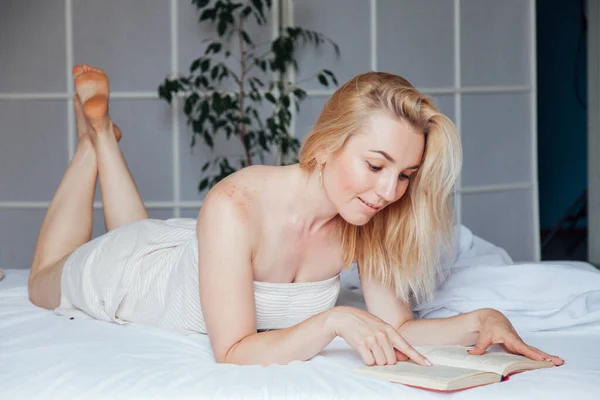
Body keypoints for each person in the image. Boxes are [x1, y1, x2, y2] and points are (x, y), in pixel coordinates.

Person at [28, 64, 564, 368]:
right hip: (128, 276)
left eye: (404, 175)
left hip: (185, 254)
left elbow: (398, 328)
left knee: (135, 230)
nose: (389, 191)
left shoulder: (365, 220)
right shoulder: (234, 204)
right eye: (376, 164)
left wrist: (479, 320)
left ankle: (101, 138)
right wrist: (332, 320)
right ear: (327, 144)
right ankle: (93, 141)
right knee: (43, 279)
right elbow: (234, 351)